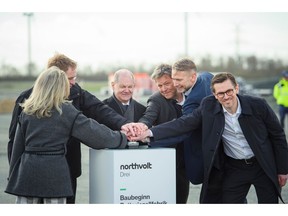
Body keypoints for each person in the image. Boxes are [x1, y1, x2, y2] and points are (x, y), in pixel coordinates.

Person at [132, 72, 288, 204]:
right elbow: (184, 123)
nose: (226, 97)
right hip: (234, 168)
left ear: (236, 88)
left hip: (262, 164)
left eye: (229, 91)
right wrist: (149, 133)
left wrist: (283, 169)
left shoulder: (258, 105)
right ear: (214, 94)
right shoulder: (208, 106)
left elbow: (278, 136)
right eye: (220, 93)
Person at [7, 53, 135, 203]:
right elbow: (96, 135)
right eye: (70, 79)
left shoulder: (27, 108)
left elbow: (17, 146)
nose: (73, 83)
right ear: (59, 81)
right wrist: (123, 138)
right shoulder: (66, 110)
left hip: (27, 176)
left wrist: (15, 174)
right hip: (56, 176)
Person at [138, 63, 190, 204]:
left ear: (175, 80)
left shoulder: (190, 95)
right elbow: (148, 116)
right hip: (165, 160)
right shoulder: (156, 100)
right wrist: (141, 126)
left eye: (167, 83)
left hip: (188, 160)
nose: (163, 89)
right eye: (159, 85)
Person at [171, 58, 213, 185]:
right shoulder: (206, 77)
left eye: (179, 80)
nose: (175, 83)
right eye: (174, 78)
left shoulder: (192, 102)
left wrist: (151, 136)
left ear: (193, 77)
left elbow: (184, 126)